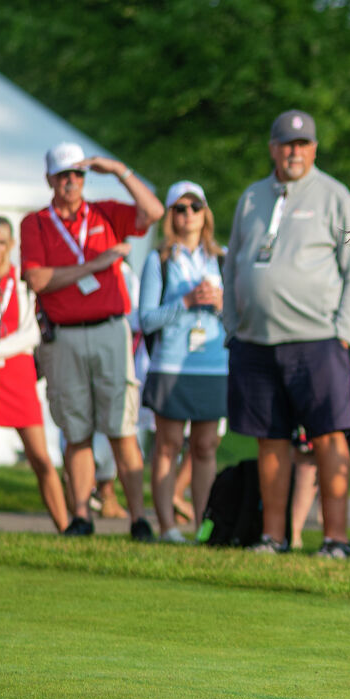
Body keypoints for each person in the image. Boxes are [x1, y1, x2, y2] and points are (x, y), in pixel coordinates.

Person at [221, 111, 350, 556]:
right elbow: (231, 269)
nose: (294, 152)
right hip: (256, 342)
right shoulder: (250, 198)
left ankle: (336, 539)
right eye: (286, 143)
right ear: (272, 148)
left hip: (318, 341)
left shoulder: (334, 196)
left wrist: (343, 332)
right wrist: (232, 326)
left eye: (303, 144)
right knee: (270, 439)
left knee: (328, 437)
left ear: (315, 149)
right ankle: (273, 536)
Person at [21, 142, 164, 539]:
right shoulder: (36, 223)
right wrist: (98, 264)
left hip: (109, 330)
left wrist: (119, 170)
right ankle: (81, 516)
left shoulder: (104, 212)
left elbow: (153, 212)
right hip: (63, 335)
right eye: (64, 175)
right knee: (76, 428)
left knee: (121, 426)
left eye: (78, 174)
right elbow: (37, 279)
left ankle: (138, 518)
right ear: (50, 178)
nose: (71, 182)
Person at [0, 217, 68, 532]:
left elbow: (30, 335)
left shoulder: (23, 284)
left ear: (12, 246)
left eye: (1, 243)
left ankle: (64, 525)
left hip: (18, 377)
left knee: (40, 457)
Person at [137, 182, 227, 542]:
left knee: (205, 447)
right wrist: (185, 303)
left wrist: (220, 302)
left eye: (195, 206)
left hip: (214, 364)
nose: (188, 214)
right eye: (179, 208)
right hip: (172, 363)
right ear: (170, 215)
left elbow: (238, 316)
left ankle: (202, 529)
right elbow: (145, 319)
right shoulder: (158, 259)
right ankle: (168, 527)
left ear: (205, 213)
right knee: (168, 445)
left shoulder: (221, 257)